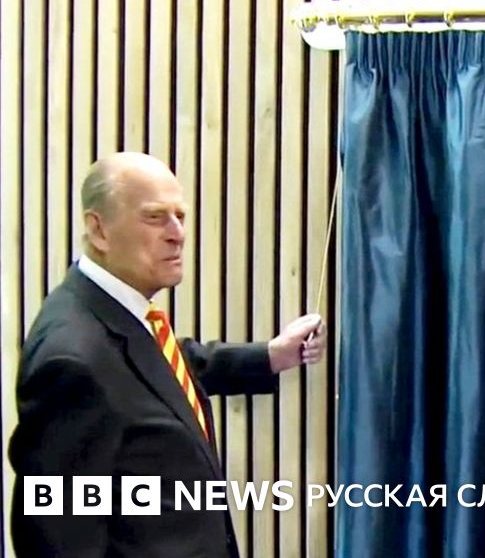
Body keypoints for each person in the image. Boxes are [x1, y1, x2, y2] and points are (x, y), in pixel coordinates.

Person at [7, 152, 325, 557]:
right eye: (155, 217)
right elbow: (57, 538)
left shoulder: (116, 315)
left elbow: (157, 367)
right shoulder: (72, 361)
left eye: (180, 216)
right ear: (99, 229)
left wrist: (270, 356)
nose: (177, 234)